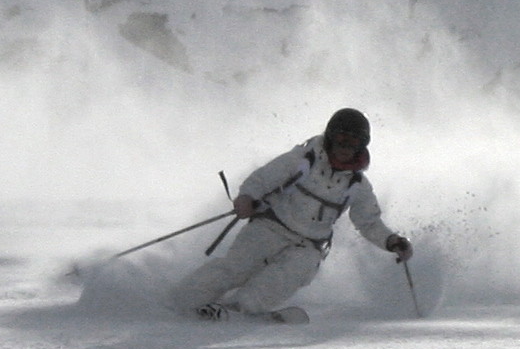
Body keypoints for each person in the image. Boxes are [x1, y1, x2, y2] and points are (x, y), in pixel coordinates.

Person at [170, 107, 411, 320]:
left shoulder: (357, 185)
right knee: (236, 267)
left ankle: (239, 310)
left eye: (353, 142)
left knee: (284, 278)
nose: (345, 147)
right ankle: (182, 301)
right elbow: (262, 179)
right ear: (329, 137)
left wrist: (391, 241)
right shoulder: (302, 160)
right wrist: (246, 199)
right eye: (340, 138)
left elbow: (369, 222)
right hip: (271, 226)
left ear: (362, 145)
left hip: (309, 245)